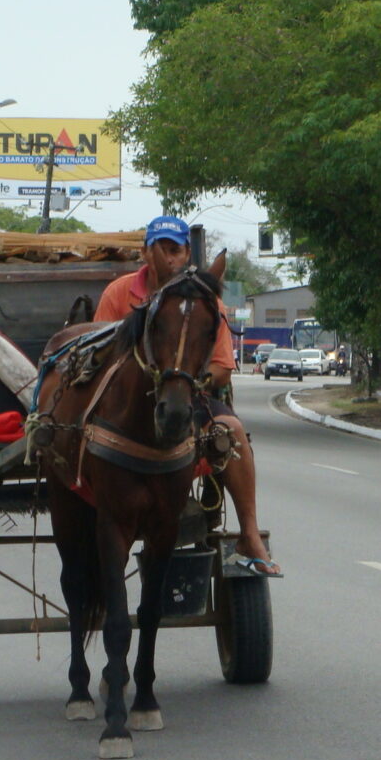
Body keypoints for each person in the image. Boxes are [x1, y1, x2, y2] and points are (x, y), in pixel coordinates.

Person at [94, 216, 281, 576]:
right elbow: (102, 352)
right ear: (145, 252)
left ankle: (249, 533)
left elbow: (224, 365)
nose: (168, 257)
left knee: (232, 431)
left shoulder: (206, 300)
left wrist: (187, 383)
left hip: (188, 397)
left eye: (175, 249)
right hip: (127, 407)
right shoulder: (119, 294)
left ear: (186, 255)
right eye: (160, 248)